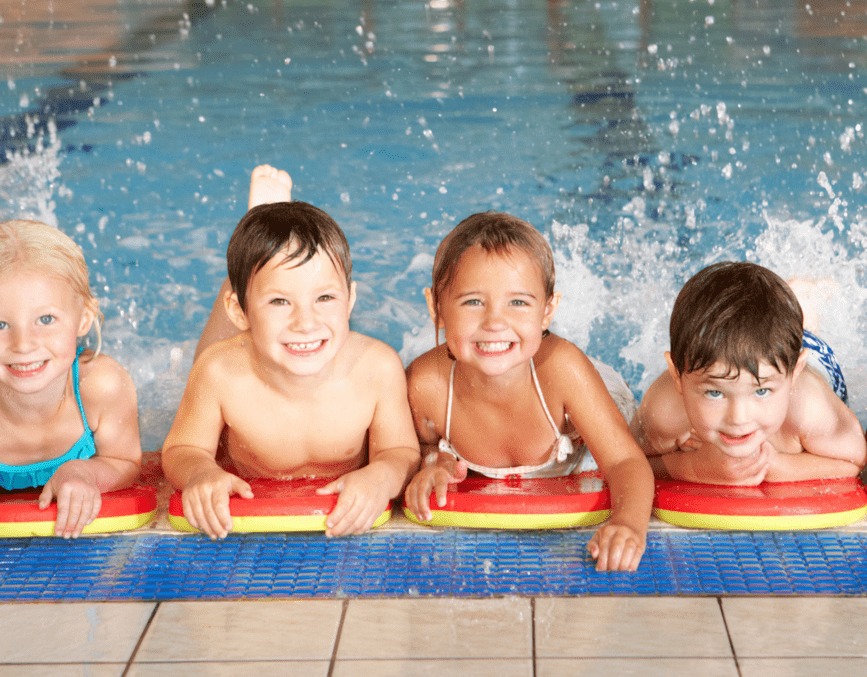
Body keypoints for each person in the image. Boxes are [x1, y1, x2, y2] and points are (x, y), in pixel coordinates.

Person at [163, 165, 421, 539]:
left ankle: (267, 244)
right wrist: (201, 472)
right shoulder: (220, 371)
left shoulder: (376, 368)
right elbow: (182, 448)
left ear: (350, 301)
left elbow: (401, 450)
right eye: (281, 301)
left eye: (326, 297)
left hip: (265, 332)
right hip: (240, 349)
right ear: (240, 309)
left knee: (262, 301)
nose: (306, 322)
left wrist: (382, 476)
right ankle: (259, 234)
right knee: (211, 354)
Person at [404, 212, 653, 572]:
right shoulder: (426, 387)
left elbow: (625, 461)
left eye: (518, 302)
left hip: (580, 402)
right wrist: (435, 462)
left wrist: (628, 523)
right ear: (436, 308)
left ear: (547, 311)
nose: (494, 323)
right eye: (473, 302)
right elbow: (417, 446)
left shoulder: (564, 371)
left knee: (657, 430)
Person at [0, 220, 142, 538]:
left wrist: (85, 472)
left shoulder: (102, 387)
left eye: (46, 319)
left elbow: (125, 461)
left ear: (84, 319)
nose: (23, 344)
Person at [631, 261, 866, 485]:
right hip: (767, 362)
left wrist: (777, 466)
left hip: (810, 358)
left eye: (762, 391)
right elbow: (624, 459)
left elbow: (856, 462)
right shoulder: (664, 411)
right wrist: (694, 468)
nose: (738, 418)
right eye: (714, 393)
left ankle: (805, 300)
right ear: (676, 378)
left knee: (803, 329)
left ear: (795, 373)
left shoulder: (808, 409)